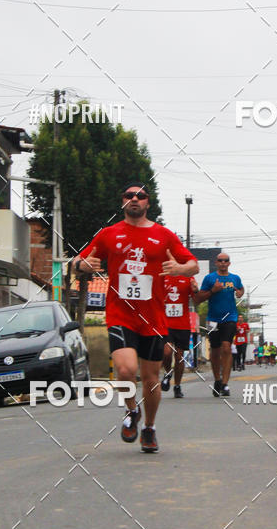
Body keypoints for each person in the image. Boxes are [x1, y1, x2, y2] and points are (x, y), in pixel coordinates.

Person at [76, 182, 198, 452]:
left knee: (151, 378)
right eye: (129, 195)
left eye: (140, 196)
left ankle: (150, 427)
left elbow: (193, 265)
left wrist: (179, 268)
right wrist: (81, 265)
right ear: (122, 201)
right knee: (125, 369)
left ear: (147, 203)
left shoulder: (164, 235)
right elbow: (80, 261)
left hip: (153, 318)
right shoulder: (109, 234)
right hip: (120, 314)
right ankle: (132, 411)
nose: (134, 199)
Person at [195, 253, 244, 397]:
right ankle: (217, 379)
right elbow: (199, 298)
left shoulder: (235, 278)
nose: (223, 263)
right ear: (216, 263)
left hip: (230, 318)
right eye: (220, 261)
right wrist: (213, 291)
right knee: (215, 351)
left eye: (226, 261)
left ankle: (225, 384)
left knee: (226, 347)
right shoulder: (209, 278)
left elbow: (241, 289)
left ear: (229, 263)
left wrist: (240, 293)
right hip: (212, 319)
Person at [160, 274, 199, 398]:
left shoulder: (188, 277)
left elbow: (196, 299)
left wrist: (196, 290)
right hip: (166, 324)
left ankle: (177, 386)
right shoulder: (163, 275)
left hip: (182, 325)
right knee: (166, 352)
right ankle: (167, 373)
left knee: (179, 357)